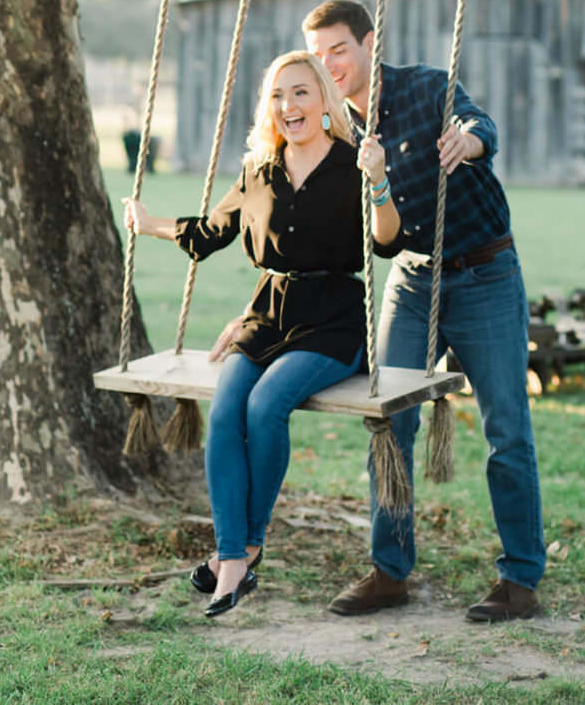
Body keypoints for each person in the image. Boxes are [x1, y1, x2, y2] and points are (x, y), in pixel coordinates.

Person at [123, 50, 397, 617]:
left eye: (299, 92)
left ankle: (244, 549)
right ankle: (233, 557)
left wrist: (379, 182)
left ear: (323, 98)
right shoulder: (259, 170)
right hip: (269, 313)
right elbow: (211, 232)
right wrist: (149, 225)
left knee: (265, 405)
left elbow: (387, 240)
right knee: (226, 411)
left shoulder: (353, 164)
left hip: (334, 319)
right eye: (277, 95)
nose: (287, 105)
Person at [302, 0, 546, 623]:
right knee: (388, 422)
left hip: (486, 271)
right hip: (412, 280)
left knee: (507, 430)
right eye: (320, 54)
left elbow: (479, 121)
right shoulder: (335, 129)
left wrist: (469, 141)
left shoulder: (426, 88)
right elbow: (377, 239)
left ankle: (520, 579)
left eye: (340, 50)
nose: (330, 65)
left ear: (367, 43)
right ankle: (390, 571)